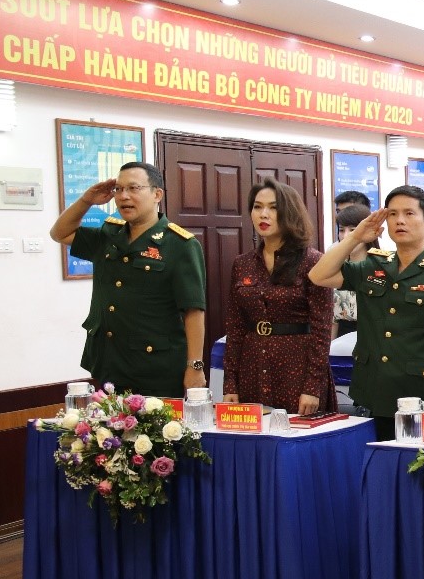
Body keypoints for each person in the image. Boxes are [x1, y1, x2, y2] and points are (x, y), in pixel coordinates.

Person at [309, 185, 424, 441]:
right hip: (372, 391)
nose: (400, 221)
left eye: (409, 213)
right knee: (372, 461)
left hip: (421, 393)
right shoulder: (374, 265)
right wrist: (355, 237)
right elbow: (318, 276)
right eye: (393, 214)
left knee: (416, 462)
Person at [49, 161, 207, 398]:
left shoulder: (180, 245)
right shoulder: (109, 235)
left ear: (157, 194)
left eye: (133, 188)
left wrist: (195, 366)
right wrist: (86, 200)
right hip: (109, 362)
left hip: (156, 367)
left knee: (156, 423)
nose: (123, 196)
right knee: (109, 423)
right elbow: (59, 233)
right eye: (119, 189)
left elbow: (193, 310)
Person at [221, 179, 334, 414]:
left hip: (297, 367)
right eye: (257, 207)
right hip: (252, 365)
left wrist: (312, 386)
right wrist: (230, 382)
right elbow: (235, 326)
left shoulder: (313, 261)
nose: (264, 214)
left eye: (273, 208)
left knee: (297, 432)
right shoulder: (242, 264)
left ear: (289, 212)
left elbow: (322, 330)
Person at [332, 204, 375, 337]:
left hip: (372, 336)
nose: (346, 236)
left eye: (352, 230)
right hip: (341, 337)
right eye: (341, 230)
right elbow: (333, 321)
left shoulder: (380, 266)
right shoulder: (334, 267)